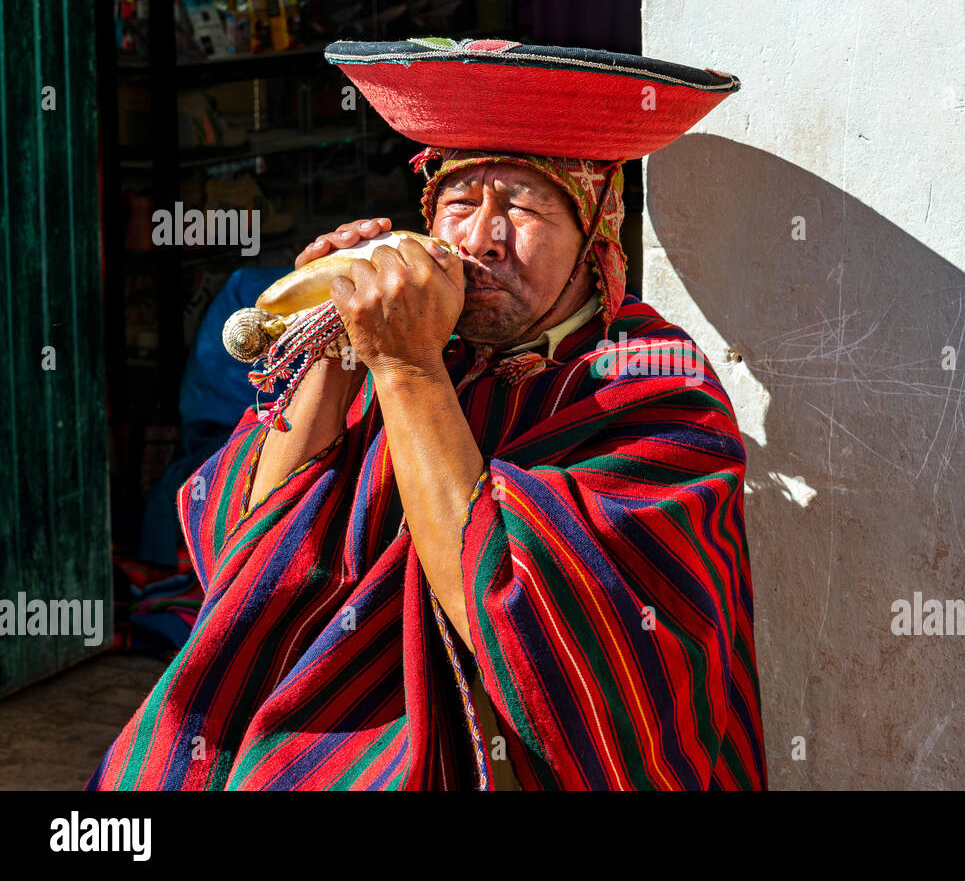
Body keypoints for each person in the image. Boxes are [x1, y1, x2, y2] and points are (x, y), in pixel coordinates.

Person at [89, 39, 766, 790]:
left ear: (597, 233)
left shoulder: (652, 388)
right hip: (316, 728)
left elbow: (519, 623)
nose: (482, 239)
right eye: (459, 205)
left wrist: (406, 368)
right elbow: (244, 542)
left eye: (523, 206)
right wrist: (338, 353)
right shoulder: (407, 335)